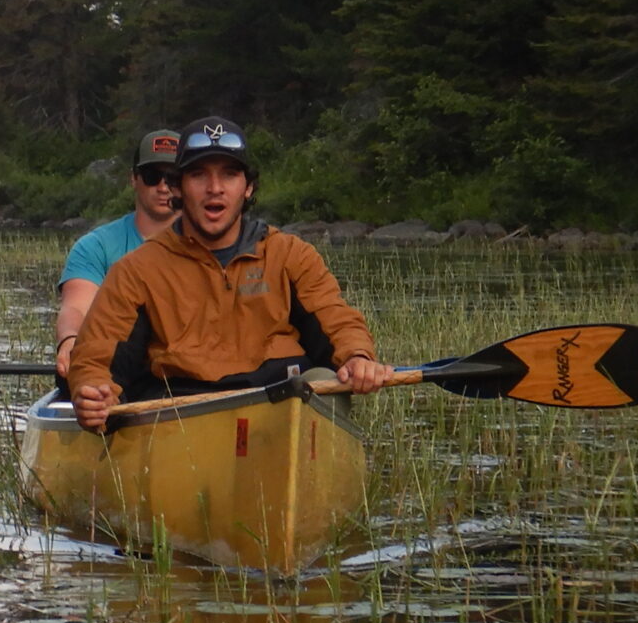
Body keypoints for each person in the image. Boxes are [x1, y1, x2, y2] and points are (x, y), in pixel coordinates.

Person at [67, 117, 399, 432]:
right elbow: (97, 355)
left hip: (279, 403)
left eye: (229, 175)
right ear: (178, 188)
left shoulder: (291, 255)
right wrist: (94, 393)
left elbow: (336, 319)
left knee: (324, 378)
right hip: (180, 411)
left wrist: (357, 356)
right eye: (198, 175)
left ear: (248, 188)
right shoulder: (136, 270)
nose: (215, 188)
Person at [52, 130, 179, 379]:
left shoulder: (209, 246)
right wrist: (70, 340)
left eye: (173, 178)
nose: (164, 187)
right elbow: (76, 308)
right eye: (152, 177)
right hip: (119, 370)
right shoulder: (94, 246)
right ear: (134, 179)